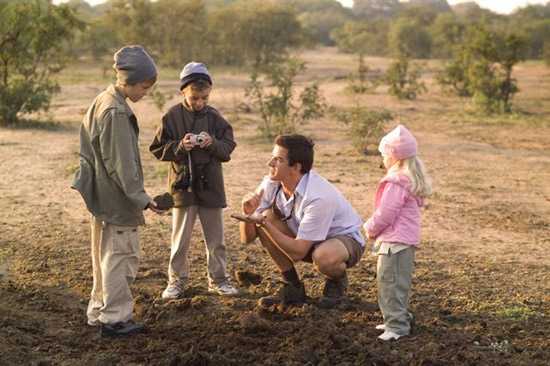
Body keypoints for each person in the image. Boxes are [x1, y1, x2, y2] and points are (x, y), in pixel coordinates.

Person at [72, 45, 164, 337]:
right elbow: (122, 165)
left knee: (104, 255)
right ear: (130, 80)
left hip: (102, 195)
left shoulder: (103, 99)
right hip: (116, 198)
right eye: (144, 86)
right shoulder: (115, 111)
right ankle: (114, 319)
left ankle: (99, 311)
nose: (145, 92)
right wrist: (143, 199)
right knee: (120, 257)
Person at [239, 134, 365, 309]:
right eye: (272, 158)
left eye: (278, 160)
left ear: (296, 167)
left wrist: (264, 223)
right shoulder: (271, 183)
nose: (270, 164)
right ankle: (292, 286)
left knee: (324, 257)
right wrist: (248, 214)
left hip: (343, 241)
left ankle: (336, 281)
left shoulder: (318, 196)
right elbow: (247, 238)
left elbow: (298, 252)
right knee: (266, 216)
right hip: (305, 239)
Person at [150, 62, 238, 299]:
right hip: (183, 188)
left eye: (204, 98)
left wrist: (213, 144)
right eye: (194, 98)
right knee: (179, 241)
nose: (199, 102)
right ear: (183, 92)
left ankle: (219, 280)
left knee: (216, 240)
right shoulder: (171, 116)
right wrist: (180, 146)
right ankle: (176, 282)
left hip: (212, 187)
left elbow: (228, 149)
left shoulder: (215, 117)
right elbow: (157, 149)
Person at [363, 124, 432, 341]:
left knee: (390, 284)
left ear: (394, 157)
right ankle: (395, 318)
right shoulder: (406, 180)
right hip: (402, 243)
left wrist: (370, 227)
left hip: (394, 243)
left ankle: (397, 326)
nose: (382, 160)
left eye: (384, 155)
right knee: (395, 283)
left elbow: (386, 213)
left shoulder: (396, 182)